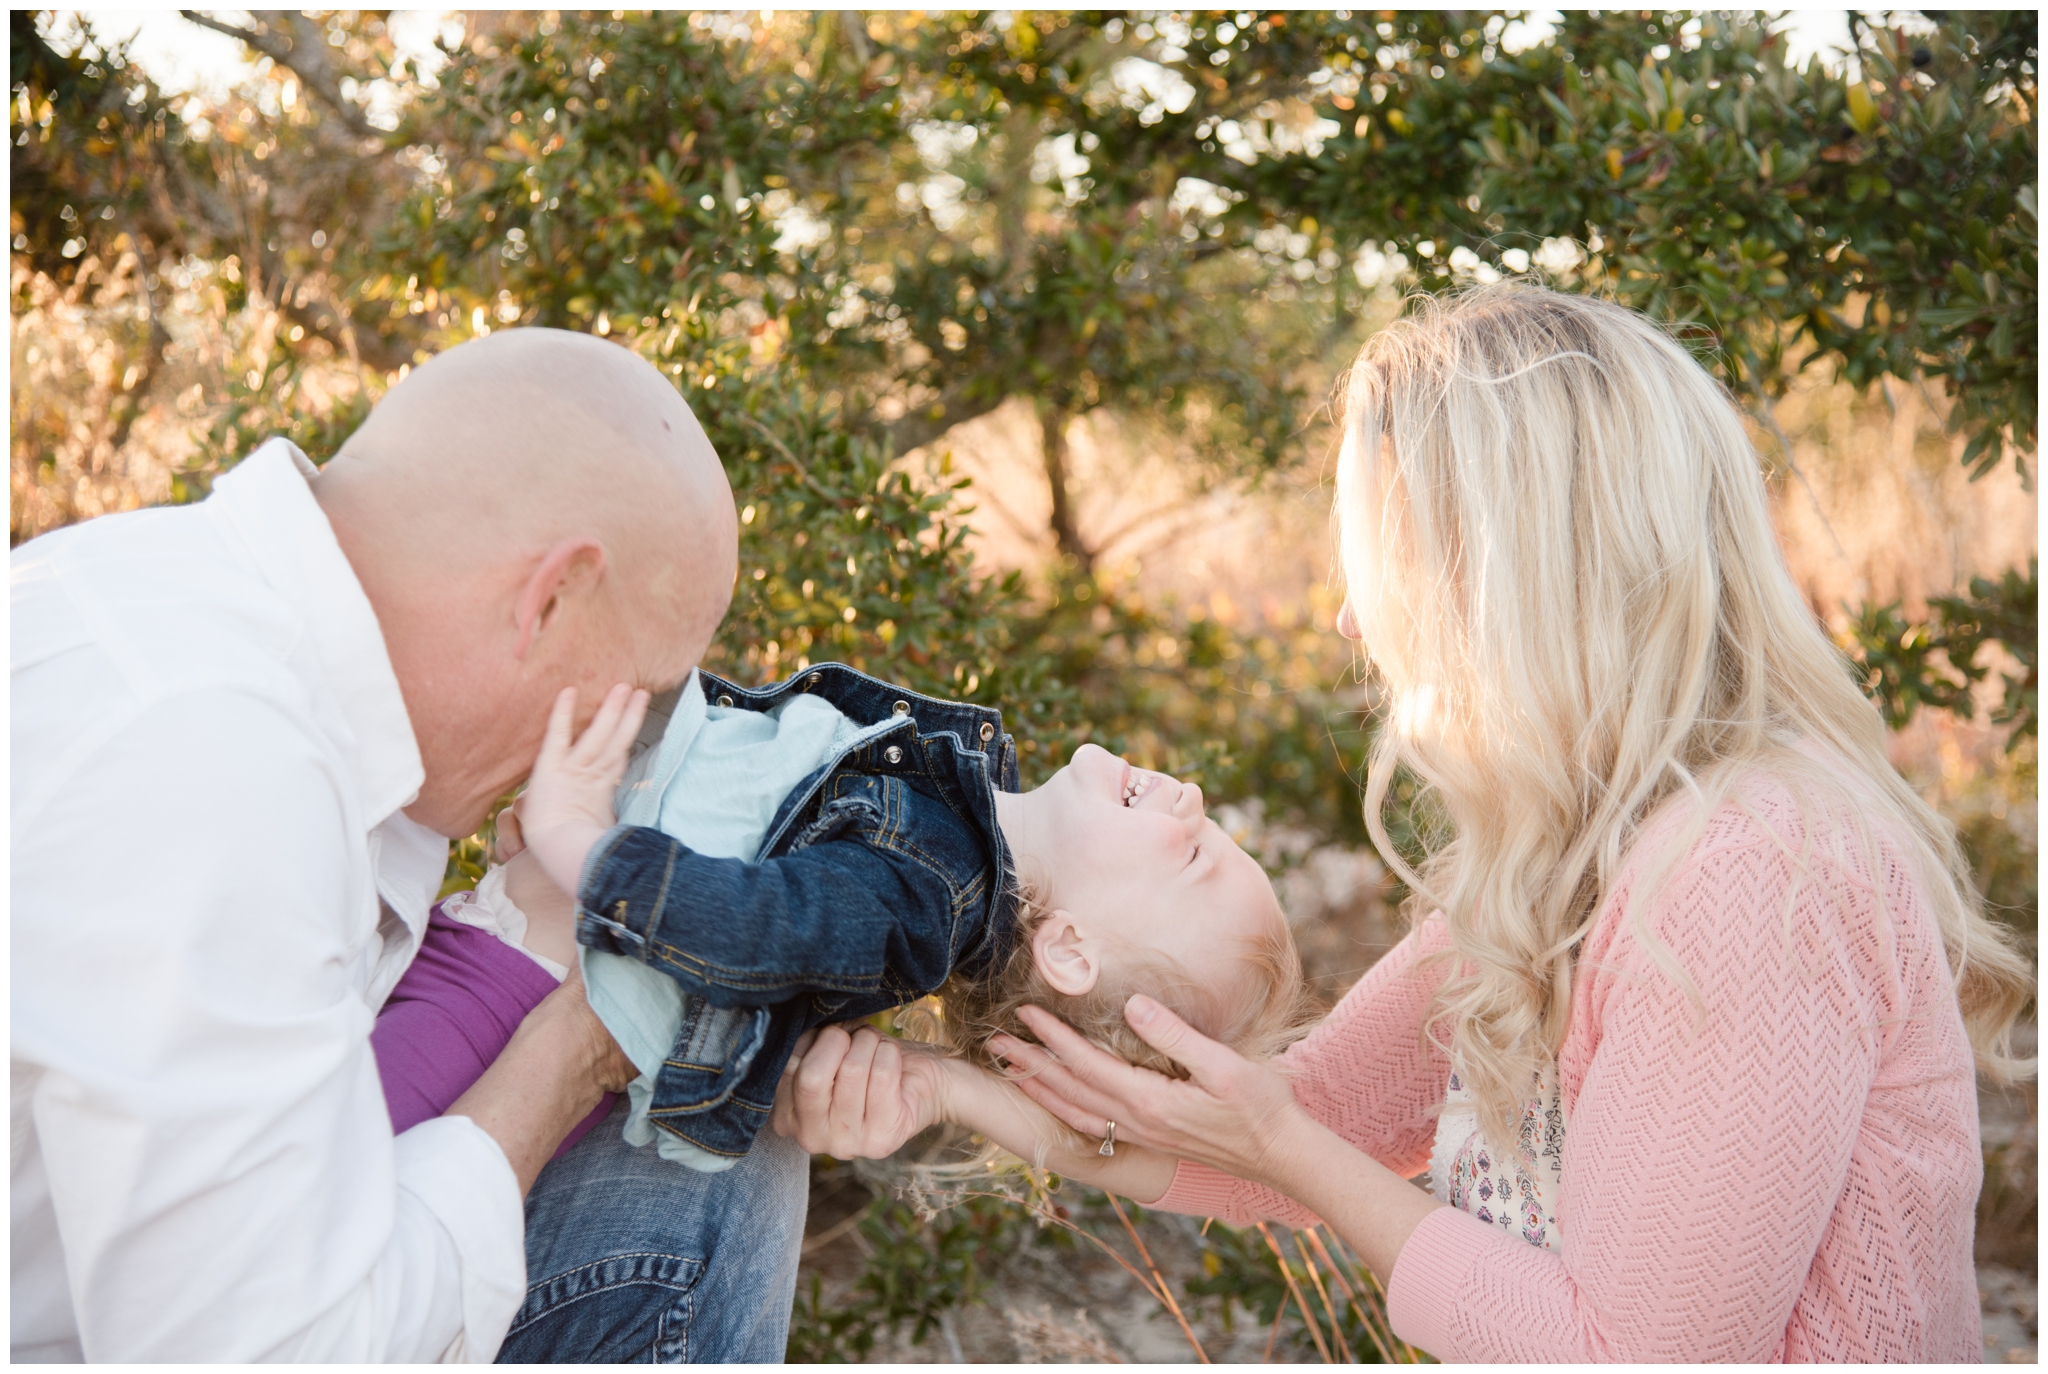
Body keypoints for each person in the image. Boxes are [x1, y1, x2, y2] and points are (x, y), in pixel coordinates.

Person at [772, 285, 2036, 1362]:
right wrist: (944, 1088)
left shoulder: (1753, 869)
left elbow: (1634, 1357)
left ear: (1502, 575)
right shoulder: (1569, 849)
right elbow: (1291, 1118)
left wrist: (1281, 1144)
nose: (1348, 624)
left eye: (1372, 568)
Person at [11, 329, 804, 1362]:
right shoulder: (215, 766)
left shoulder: (165, 597)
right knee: (704, 1188)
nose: (618, 757)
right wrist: (563, 1058)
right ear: (548, 599)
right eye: (634, 702)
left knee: (724, 1162)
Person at [381, 647, 1312, 1173]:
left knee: (313, 1195)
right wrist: (625, 784)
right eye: (1213, 823)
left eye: (1193, 855)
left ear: (1069, 951)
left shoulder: (920, 900)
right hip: (490, 936)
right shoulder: (954, 794)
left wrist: (583, 841)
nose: (1190, 794)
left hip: (510, 1001)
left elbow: (752, 930)